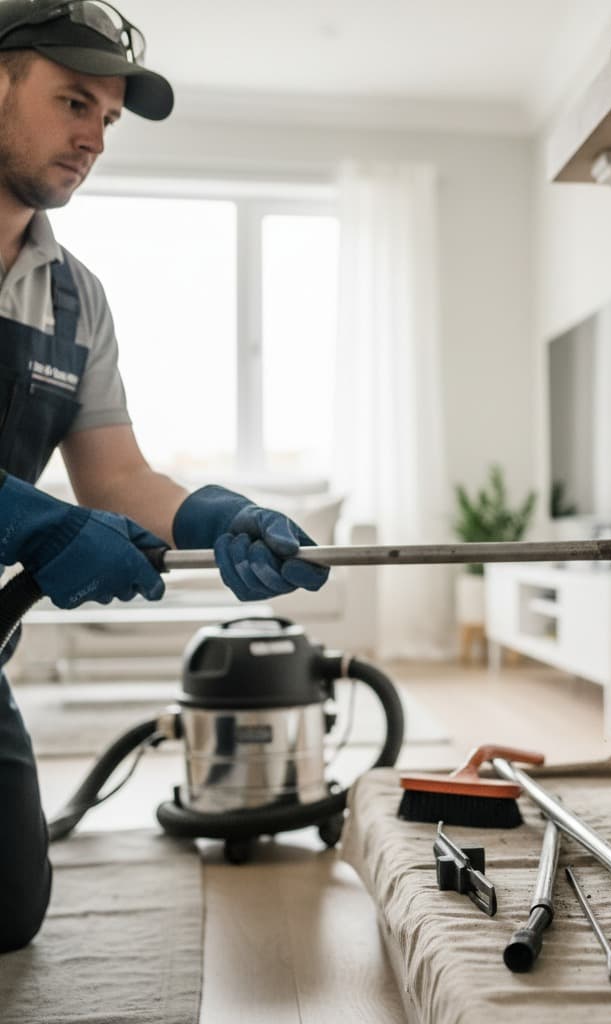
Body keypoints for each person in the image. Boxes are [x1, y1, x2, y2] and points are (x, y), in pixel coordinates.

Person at [0, 0, 330, 952]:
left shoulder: (75, 297)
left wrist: (223, 515)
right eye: (73, 102)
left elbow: (116, 477)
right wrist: (31, 524)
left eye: (106, 118)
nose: (94, 137)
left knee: (6, 914)